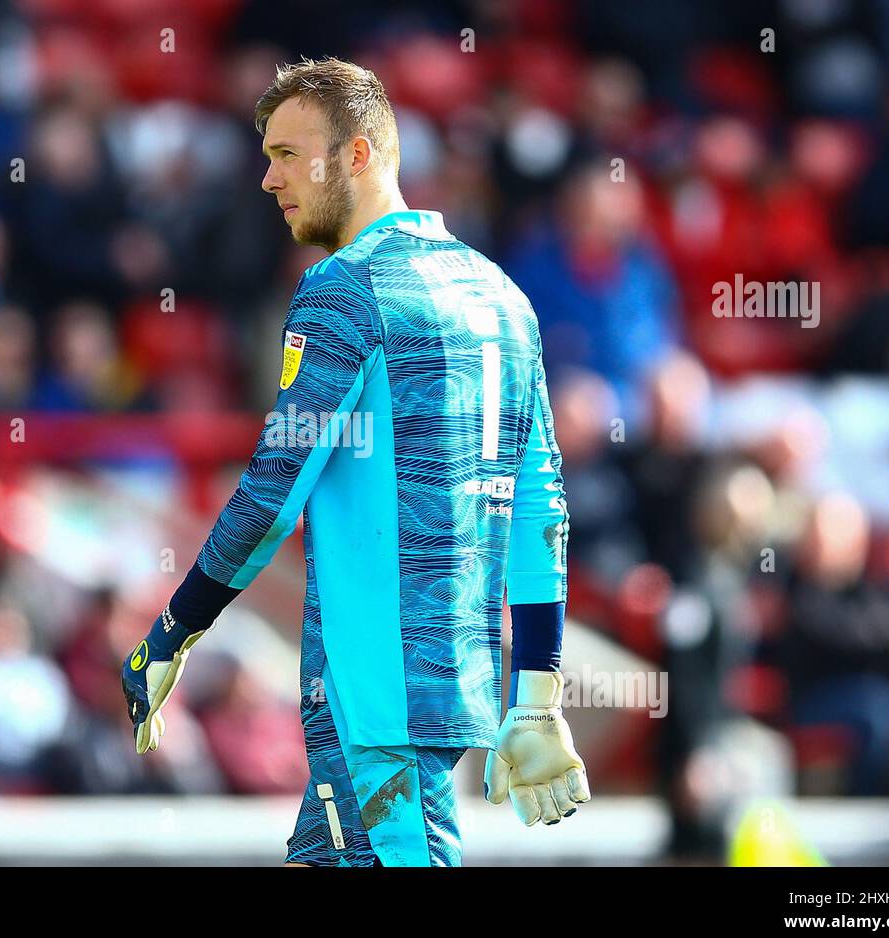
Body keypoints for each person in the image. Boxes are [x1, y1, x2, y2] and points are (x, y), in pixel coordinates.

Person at [120, 57, 588, 867]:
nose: (269, 179)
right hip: (445, 692)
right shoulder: (501, 296)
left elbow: (274, 488)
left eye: (289, 154)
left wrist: (172, 632)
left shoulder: (345, 289)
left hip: (374, 703)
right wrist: (537, 696)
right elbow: (540, 506)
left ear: (360, 155)